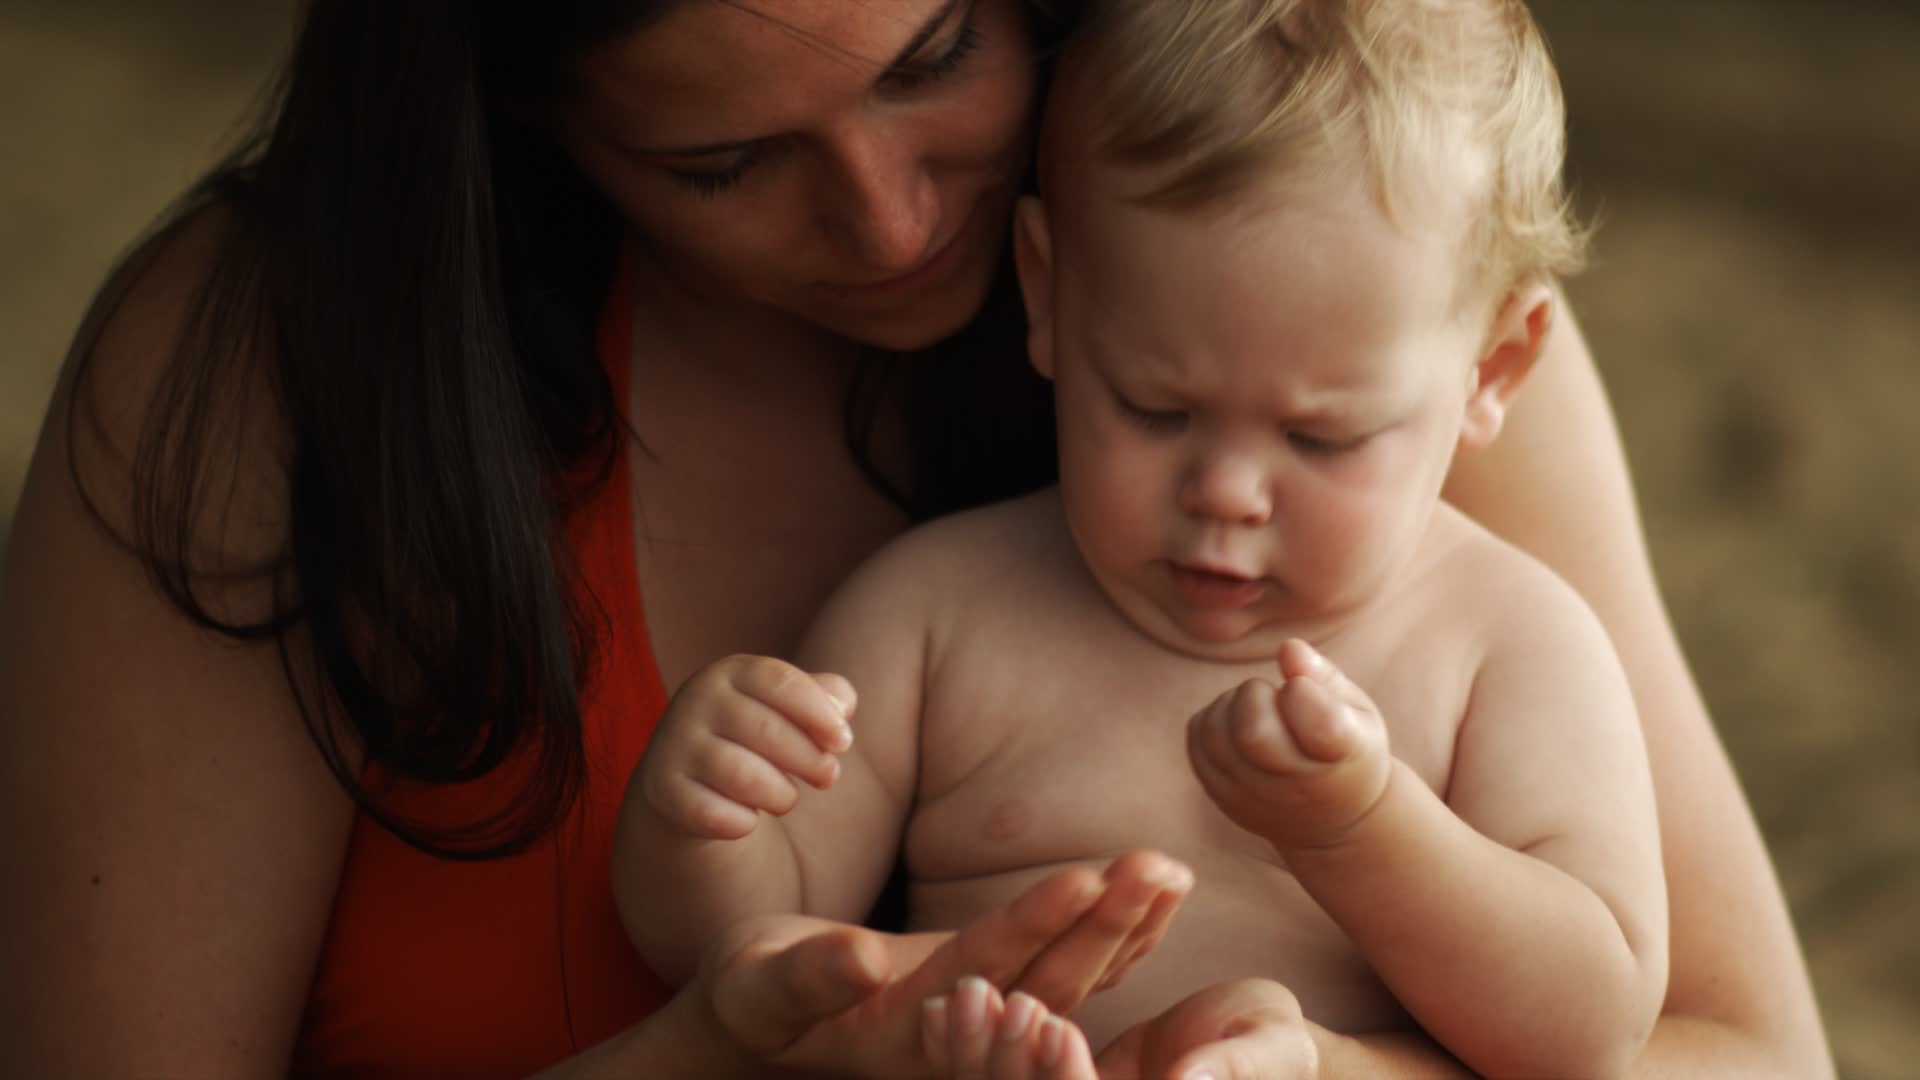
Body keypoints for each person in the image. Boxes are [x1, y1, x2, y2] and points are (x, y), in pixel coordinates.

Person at [0, 0, 1831, 1078]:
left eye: (933, 55)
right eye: (720, 160)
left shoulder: (1336, 248)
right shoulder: (952, 604)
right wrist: (734, 938)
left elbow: (1684, 1038)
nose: (885, 226)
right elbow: (756, 933)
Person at [619, 1, 1669, 1076]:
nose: (1225, 494)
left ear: (1494, 370)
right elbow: (738, 957)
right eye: (1155, 410)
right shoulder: (937, 611)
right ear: (1050, 297)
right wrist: (704, 817)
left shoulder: (1506, 641)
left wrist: (1362, 826)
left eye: (1322, 436)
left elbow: (1591, 1029)